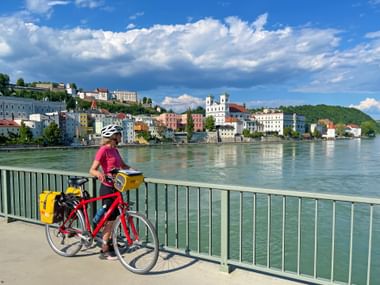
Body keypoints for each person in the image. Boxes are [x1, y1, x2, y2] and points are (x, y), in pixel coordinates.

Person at [89, 124, 134, 260]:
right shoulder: (103, 150)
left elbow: (123, 166)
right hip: (107, 188)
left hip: (117, 187)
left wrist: (136, 172)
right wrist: (99, 174)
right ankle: (104, 250)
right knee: (109, 220)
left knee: (114, 219)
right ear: (113, 136)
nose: (121, 136)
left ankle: (110, 242)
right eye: (119, 134)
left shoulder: (115, 150)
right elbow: (92, 169)